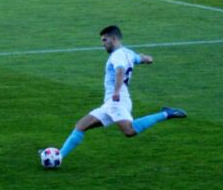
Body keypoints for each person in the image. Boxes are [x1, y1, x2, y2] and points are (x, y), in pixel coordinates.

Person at [55, 25, 187, 164]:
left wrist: (116, 91)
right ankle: (59, 157)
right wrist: (148, 58)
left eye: (105, 40)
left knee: (129, 131)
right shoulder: (128, 53)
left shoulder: (117, 55)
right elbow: (139, 58)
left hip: (117, 99)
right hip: (111, 102)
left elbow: (120, 70)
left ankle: (166, 114)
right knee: (80, 126)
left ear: (114, 38)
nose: (103, 44)